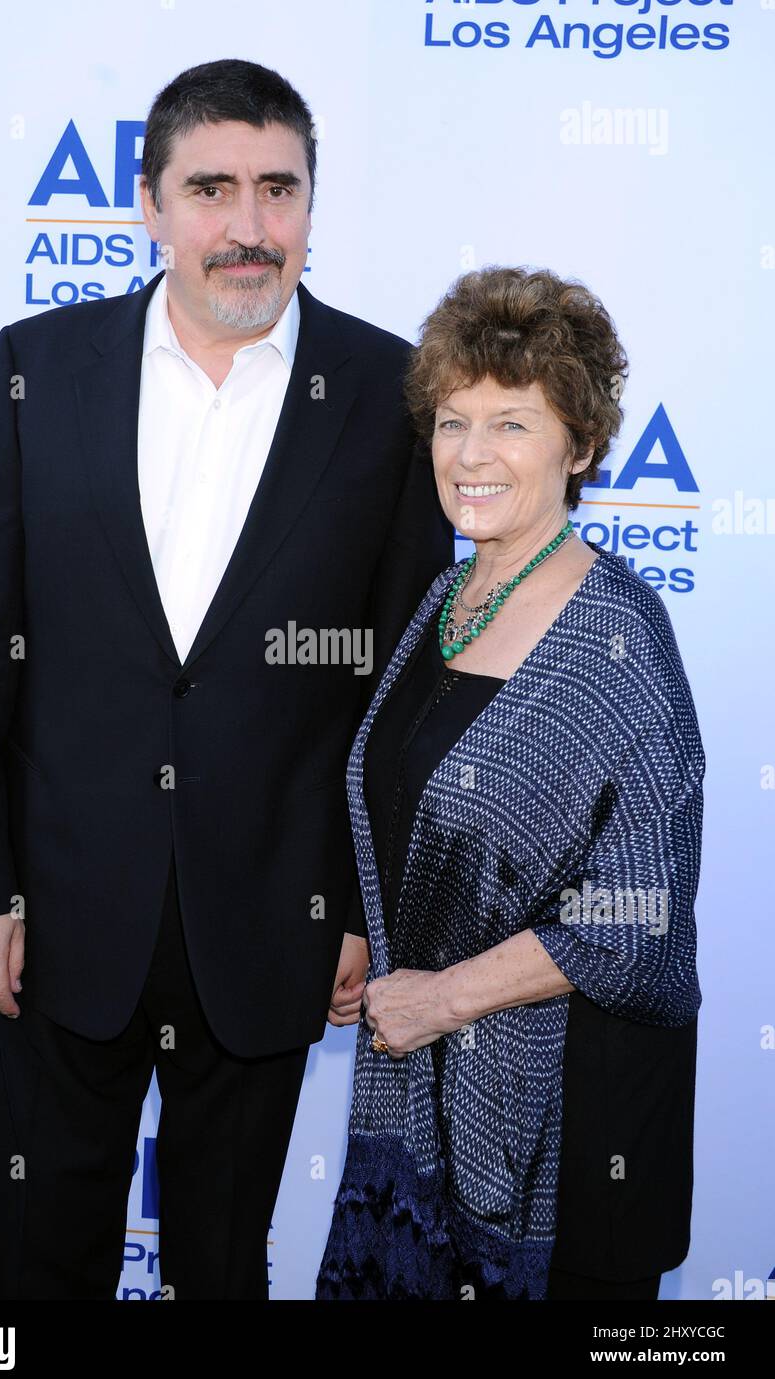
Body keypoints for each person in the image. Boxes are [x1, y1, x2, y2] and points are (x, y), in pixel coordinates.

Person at [0, 58, 453, 1300]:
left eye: (279, 190)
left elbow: (401, 694)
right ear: (150, 204)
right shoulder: (36, 368)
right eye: (210, 189)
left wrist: (363, 907)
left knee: (225, 1264)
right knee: (37, 1263)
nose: (248, 226)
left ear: (312, 211)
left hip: (272, 921)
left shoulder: (387, 395)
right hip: (57, 919)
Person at [316, 266, 704, 1301]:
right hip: (427, 1091)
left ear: (578, 447)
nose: (471, 455)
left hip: (576, 1127)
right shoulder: (449, 596)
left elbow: (639, 917)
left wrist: (442, 998)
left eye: (510, 424)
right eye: (451, 423)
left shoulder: (614, 634)